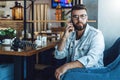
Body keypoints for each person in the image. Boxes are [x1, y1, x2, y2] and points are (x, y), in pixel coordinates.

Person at [54, 4, 105, 80]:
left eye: (82, 16)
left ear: (87, 18)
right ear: (71, 19)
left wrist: (66, 66)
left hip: (92, 73)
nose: (79, 20)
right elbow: (59, 55)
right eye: (75, 17)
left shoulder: (96, 35)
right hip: (73, 73)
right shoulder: (70, 34)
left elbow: (92, 59)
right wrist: (64, 37)